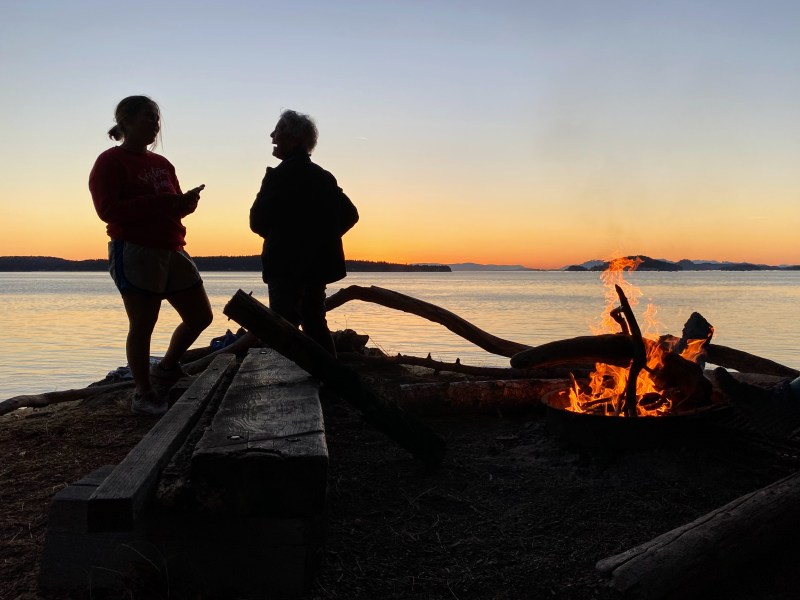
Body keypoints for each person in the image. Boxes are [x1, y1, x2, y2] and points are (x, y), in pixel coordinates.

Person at [89, 95, 213, 416]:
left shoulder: (162, 164)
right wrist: (164, 204)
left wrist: (186, 204)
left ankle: (168, 367)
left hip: (172, 248)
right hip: (135, 250)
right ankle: (143, 395)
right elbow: (108, 211)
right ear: (126, 120)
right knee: (143, 324)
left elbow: (173, 206)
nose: (156, 124)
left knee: (201, 317)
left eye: (157, 119)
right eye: (149, 117)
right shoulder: (111, 161)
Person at [250, 109, 359, 356]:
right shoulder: (322, 177)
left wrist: (285, 238)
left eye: (277, 132)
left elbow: (257, 222)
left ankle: (287, 384)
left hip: (284, 266)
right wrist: (323, 239)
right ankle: (332, 382)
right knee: (314, 323)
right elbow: (350, 215)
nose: (272, 136)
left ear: (294, 139)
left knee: (282, 327)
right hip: (316, 266)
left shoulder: (278, 177)